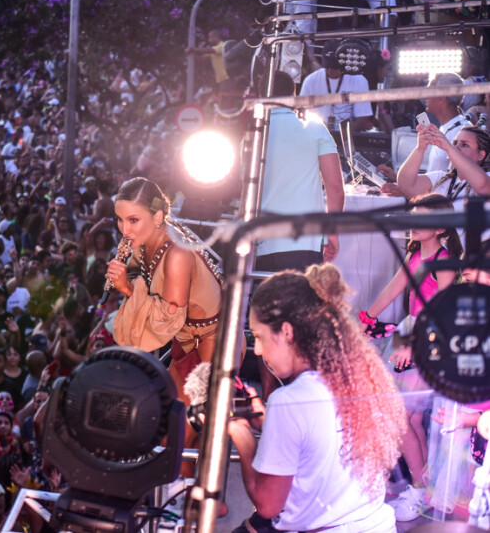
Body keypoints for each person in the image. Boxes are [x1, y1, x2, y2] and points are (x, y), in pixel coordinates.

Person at [228, 265, 406, 532]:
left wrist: (240, 433)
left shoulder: (290, 400)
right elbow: (322, 441)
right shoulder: (359, 379)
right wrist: (267, 423)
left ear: (287, 332)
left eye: (260, 338)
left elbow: (268, 505)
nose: (258, 351)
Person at [359, 193, 463, 522]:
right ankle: (419, 485)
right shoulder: (416, 253)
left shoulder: (444, 261)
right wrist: (366, 320)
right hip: (410, 332)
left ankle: (418, 488)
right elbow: (393, 288)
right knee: (409, 418)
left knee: (401, 417)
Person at [108, 177, 222, 468]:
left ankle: (194, 505)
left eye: (134, 220)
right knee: (171, 432)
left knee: (177, 440)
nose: (125, 229)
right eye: (120, 220)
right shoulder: (145, 241)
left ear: (157, 216)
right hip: (184, 347)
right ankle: (190, 505)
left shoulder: (178, 253)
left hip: (212, 348)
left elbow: (166, 319)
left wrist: (126, 289)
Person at [256, 71, 345, 270]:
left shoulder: (252, 134)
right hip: (304, 240)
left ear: (261, 96)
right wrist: (332, 232)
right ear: (293, 95)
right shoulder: (315, 127)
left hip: (259, 241)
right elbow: (335, 186)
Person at [397, 125, 490, 213]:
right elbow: (405, 184)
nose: (456, 148)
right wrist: (420, 148)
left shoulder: (487, 177)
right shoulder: (441, 178)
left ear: (481, 155)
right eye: (455, 143)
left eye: (465, 145)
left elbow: (482, 184)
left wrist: (448, 147)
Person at [299, 39, 374, 132]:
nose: (330, 71)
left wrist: (344, 137)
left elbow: (362, 117)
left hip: (348, 135)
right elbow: (301, 112)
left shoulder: (359, 80)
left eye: (334, 68)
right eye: (327, 67)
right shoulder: (310, 80)